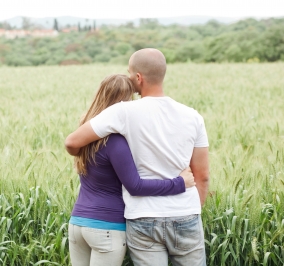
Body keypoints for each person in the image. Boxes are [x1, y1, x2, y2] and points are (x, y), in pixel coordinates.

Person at [65, 49, 209, 266]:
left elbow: (72, 142)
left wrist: (87, 154)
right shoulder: (193, 116)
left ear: (138, 77)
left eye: (130, 74)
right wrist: (190, 207)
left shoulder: (122, 113)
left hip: (141, 216)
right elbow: (203, 176)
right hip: (185, 212)